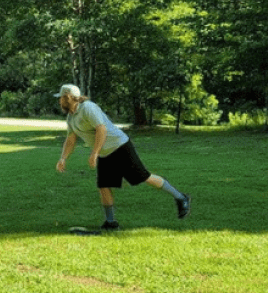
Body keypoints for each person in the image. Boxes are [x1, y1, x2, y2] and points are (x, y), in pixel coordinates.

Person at [54, 84, 190, 231]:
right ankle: (111, 223)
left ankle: (181, 197)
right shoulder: (71, 117)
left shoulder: (88, 108)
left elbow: (102, 129)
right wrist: (63, 158)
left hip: (120, 147)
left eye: (60, 98)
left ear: (68, 97)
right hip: (105, 153)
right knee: (103, 186)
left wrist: (94, 153)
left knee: (144, 177)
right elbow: (71, 139)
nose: (59, 101)